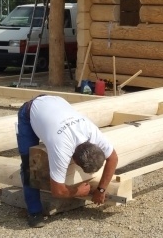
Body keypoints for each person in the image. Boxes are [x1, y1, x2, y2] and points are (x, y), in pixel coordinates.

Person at [17, 95, 118, 228]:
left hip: (55, 103)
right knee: (29, 164)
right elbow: (57, 191)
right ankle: (34, 212)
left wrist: (101, 190)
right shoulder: (62, 148)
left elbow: (113, 158)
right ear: (74, 160)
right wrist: (77, 191)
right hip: (30, 110)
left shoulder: (93, 134)